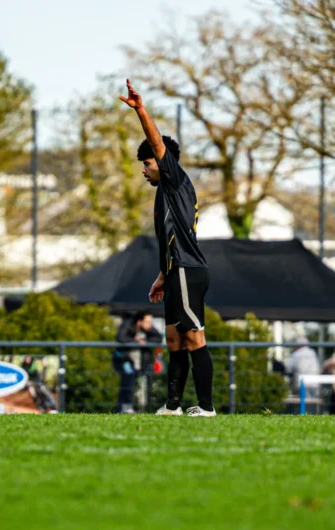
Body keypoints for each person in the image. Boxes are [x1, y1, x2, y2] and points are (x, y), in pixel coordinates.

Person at [120, 80, 214, 417]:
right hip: (175, 272)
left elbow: (157, 142)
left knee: (194, 338)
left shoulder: (174, 178)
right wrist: (162, 276)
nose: (144, 170)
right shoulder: (164, 194)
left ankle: (207, 408)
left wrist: (140, 110)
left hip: (189, 271)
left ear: (162, 162)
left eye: (147, 163)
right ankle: (173, 406)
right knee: (174, 340)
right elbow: (170, 238)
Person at [114, 311, 163, 414]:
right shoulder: (128, 324)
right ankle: (125, 406)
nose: (150, 325)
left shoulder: (148, 328)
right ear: (139, 321)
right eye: (147, 322)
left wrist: (145, 341)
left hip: (140, 361)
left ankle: (126, 407)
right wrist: (136, 341)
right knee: (129, 377)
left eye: (150, 322)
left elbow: (158, 338)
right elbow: (120, 337)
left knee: (134, 381)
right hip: (125, 358)